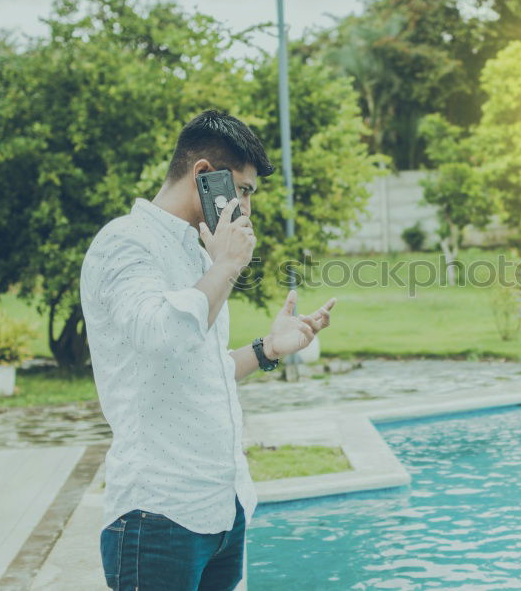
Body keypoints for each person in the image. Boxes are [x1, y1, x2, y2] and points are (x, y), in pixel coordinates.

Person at [80, 109, 336, 590]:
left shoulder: (197, 254)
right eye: (242, 190)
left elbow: (198, 368)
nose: (246, 208)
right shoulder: (124, 243)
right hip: (157, 517)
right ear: (204, 176)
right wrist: (227, 266)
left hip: (222, 509)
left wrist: (268, 349)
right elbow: (162, 337)